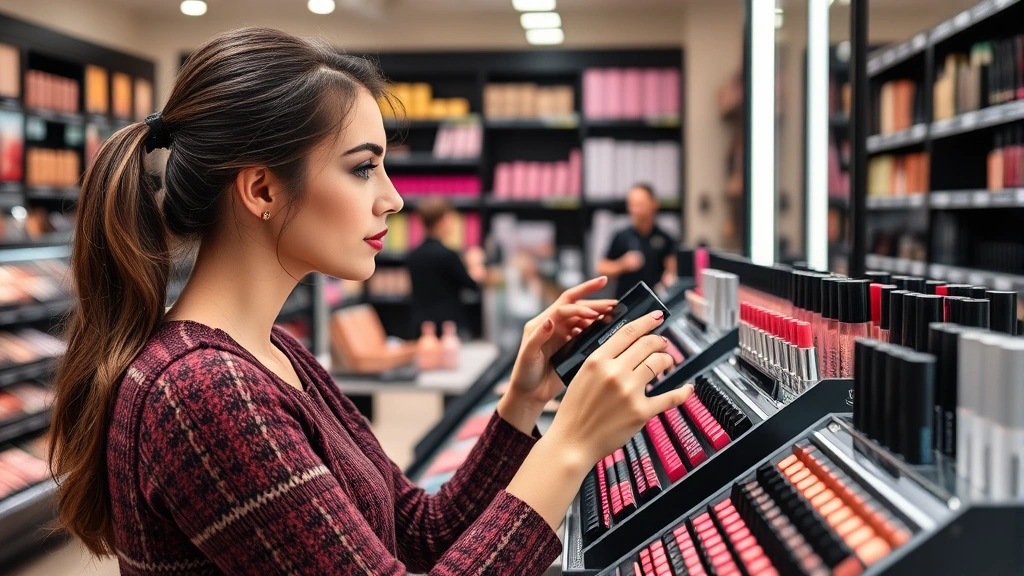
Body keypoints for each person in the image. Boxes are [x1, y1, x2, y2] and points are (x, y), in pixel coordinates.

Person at [48, 28, 693, 575]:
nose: (394, 198)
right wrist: (570, 446)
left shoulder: (274, 353)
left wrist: (523, 402)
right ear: (262, 189)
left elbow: (417, 532)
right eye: (363, 168)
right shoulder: (205, 392)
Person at [407, 197, 480, 334]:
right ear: (442, 220)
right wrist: (474, 266)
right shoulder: (448, 255)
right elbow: (471, 285)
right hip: (448, 325)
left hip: (421, 324)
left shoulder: (413, 255)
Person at [596, 183, 678, 298]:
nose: (636, 210)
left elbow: (671, 269)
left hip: (654, 301)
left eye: (640, 204)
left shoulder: (665, 238)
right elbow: (601, 268)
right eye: (632, 204)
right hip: (625, 301)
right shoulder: (621, 236)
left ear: (654, 204)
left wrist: (669, 276)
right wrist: (622, 264)